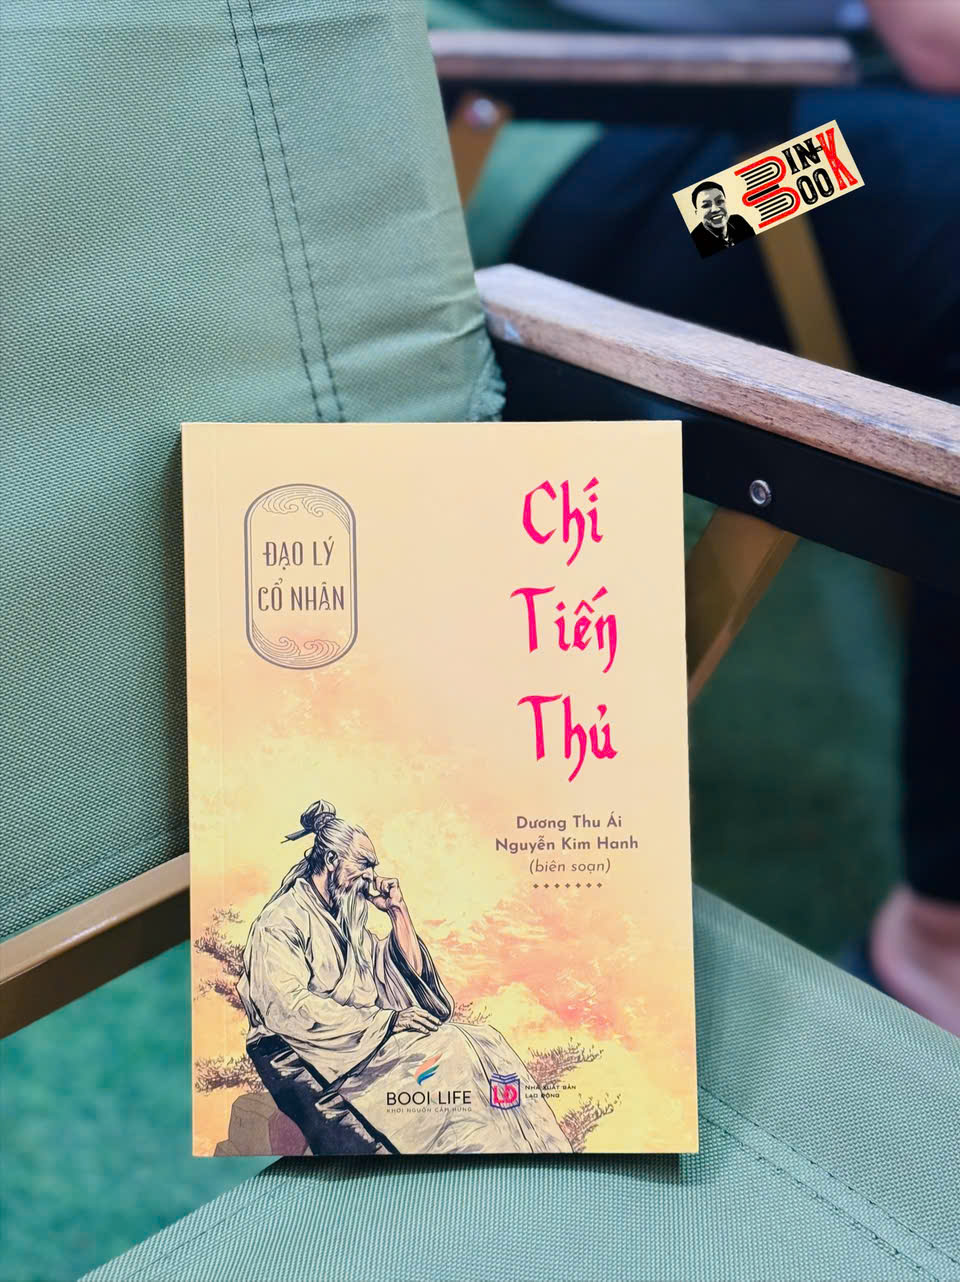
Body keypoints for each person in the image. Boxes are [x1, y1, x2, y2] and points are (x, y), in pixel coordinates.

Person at [238, 798, 571, 1155]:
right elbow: (288, 1009)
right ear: (332, 860)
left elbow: (392, 981)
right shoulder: (280, 921)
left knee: (485, 1040)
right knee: (453, 1053)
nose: (371, 877)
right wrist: (388, 1022)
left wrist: (398, 912)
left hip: (360, 1043)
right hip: (311, 1050)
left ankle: (535, 1151)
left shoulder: (349, 925)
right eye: (364, 864)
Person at [688, 181, 756, 257]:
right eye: (706, 205)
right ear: (697, 213)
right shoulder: (694, 243)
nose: (715, 209)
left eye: (719, 201)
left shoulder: (739, 222)